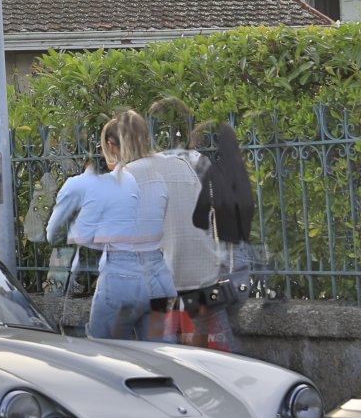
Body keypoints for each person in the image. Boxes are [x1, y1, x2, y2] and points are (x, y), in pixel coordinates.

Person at [46, 111, 173, 340]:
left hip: (121, 276)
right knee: (158, 353)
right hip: (157, 275)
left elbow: (58, 234)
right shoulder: (159, 179)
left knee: (106, 350)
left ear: (111, 146)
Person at [117, 113, 227, 346]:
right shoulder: (181, 163)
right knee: (198, 331)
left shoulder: (129, 173)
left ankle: (161, 359)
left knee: (153, 333)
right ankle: (196, 362)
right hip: (199, 261)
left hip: (160, 269)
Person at [193, 121, 257, 333]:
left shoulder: (212, 177)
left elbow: (198, 219)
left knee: (208, 328)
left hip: (221, 276)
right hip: (242, 278)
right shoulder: (244, 179)